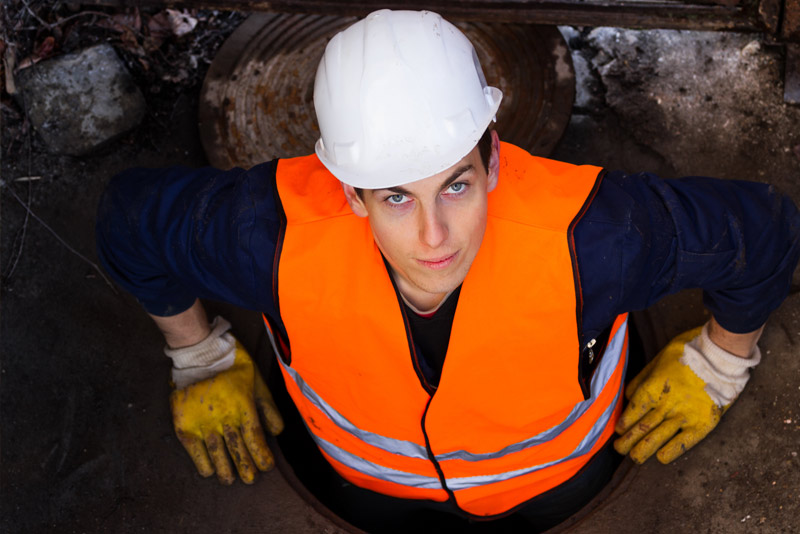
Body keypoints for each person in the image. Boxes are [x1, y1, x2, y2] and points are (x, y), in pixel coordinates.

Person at [96, 9, 800, 531]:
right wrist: (198, 354)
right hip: (363, 493)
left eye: (457, 184)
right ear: (348, 190)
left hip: (557, 489)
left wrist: (722, 360)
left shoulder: (597, 236)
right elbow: (128, 221)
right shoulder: (268, 237)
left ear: (493, 158)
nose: (435, 238)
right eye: (396, 197)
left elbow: (763, 231)